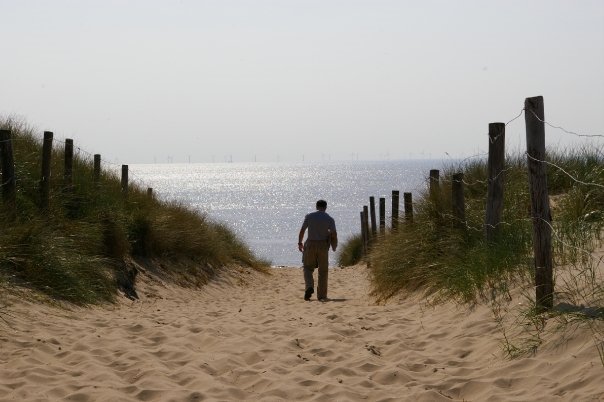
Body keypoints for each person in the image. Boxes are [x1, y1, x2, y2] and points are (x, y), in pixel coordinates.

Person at [298, 199, 337, 301]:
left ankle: (309, 286)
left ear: (316, 207)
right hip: (323, 245)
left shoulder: (309, 216)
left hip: (310, 243)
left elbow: (302, 230)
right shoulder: (329, 219)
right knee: (323, 271)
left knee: (307, 268)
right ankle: (322, 295)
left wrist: (300, 242)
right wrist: (334, 245)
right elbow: (333, 233)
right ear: (325, 207)